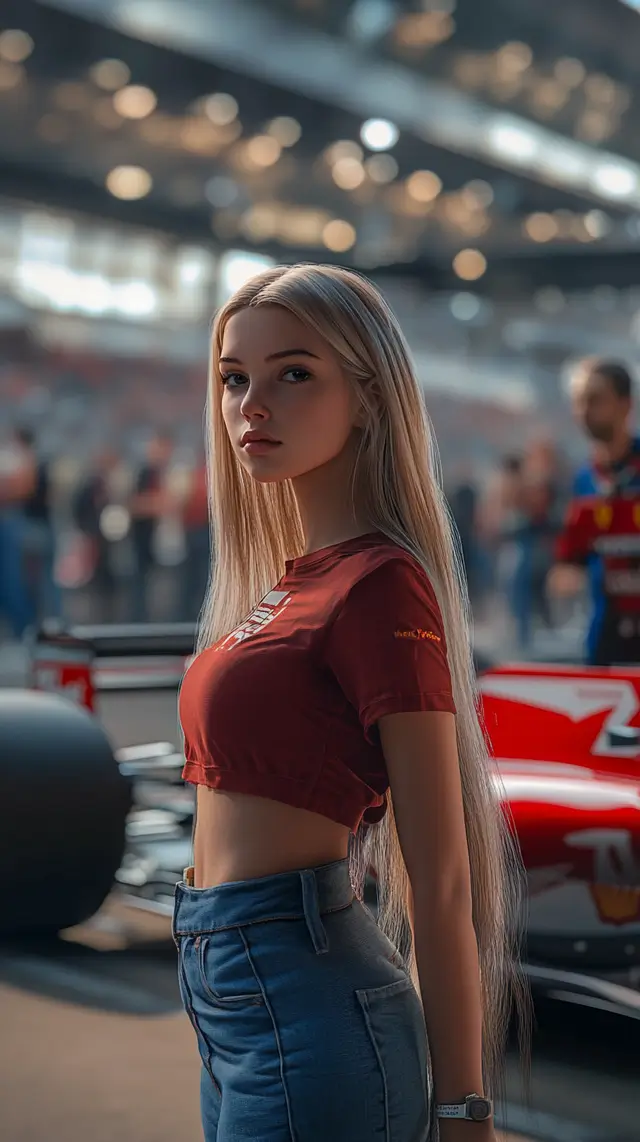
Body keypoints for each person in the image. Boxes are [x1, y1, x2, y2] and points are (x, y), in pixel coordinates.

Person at [175, 265, 531, 1142]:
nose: (253, 402)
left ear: (368, 400)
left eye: (295, 373)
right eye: (235, 377)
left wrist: (465, 1111)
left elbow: (443, 881)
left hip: (310, 1001)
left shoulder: (381, 585)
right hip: (230, 995)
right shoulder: (282, 587)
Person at [549, 358, 640, 665]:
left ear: (626, 404)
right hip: (605, 638)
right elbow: (570, 563)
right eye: (578, 401)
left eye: (595, 399)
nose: (584, 410)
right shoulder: (584, 480)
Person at [128, 430, 173, 621]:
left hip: (161, 538)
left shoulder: (166, 472)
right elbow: (133, 503)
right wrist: (157, 504)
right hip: (142, 537)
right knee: (141, 584)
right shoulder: (144, 472)